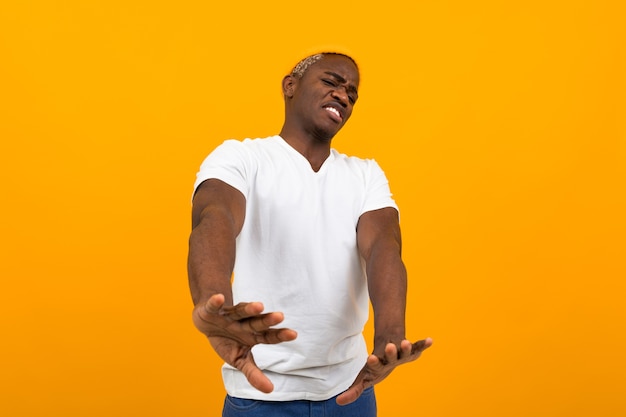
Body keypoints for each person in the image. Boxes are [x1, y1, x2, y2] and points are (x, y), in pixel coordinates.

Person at [188, 52, 432, 417]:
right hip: (259, 395)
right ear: (291, 86)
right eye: (331, 82)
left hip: (349, 394)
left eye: (352, 93)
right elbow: (214, 216)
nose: (343, 96)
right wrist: (212, 301)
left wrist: (390, 335)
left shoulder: (365, 174)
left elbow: (383, 246)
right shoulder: (241, 158)